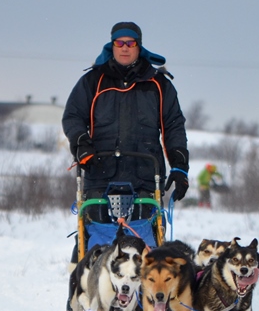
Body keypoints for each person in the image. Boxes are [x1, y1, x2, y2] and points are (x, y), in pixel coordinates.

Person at [62, 21, 189, 242]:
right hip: (99, 173)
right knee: (95, 243)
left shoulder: (158, 84)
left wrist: (180, 167)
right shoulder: (93, 81)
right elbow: (73, 116)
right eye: (119, 43)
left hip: (145, 176)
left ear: (139, 46)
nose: (124, 48)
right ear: (112, 46)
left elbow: (174, 126)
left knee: (145, 244)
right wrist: (81, 144)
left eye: (130, 43)